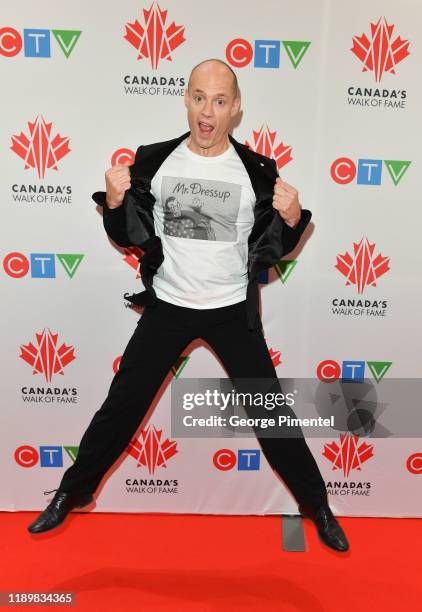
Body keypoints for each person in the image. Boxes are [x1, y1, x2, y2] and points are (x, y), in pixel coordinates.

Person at [27, 59, 349, 552]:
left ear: (235, 108)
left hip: (231, 311)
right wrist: (114, 205)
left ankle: (317, 507)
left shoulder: (258, 173)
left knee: (272, 416)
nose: (207, 112)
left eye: (220, 101)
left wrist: (292, 219)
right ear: (186, 98)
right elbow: (127, 236)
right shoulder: (153, 162)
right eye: (200, 98)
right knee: (122, 406)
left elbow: (275, 247)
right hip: (169, 306)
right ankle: (71, 492)